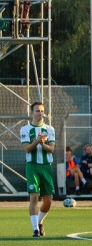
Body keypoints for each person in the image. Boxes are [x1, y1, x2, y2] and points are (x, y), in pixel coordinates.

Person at [21, 101, 55, 237]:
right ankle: (35, 229)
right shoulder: (25, 129)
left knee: (48, 201)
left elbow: (51, 149)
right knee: (34, 196)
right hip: (32, 166)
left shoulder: (50, 129)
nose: (40, 113)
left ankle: (40, 222)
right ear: (32, 112)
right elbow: (27, 149)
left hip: (46, 166)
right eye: (37, 111)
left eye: (42, 111)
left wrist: (43, 144)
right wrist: (37, 141)